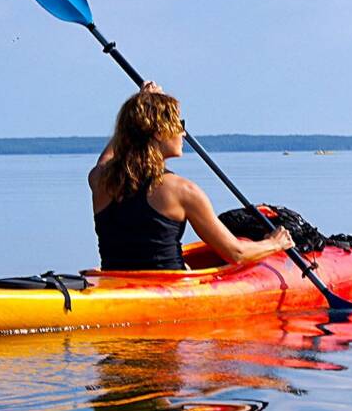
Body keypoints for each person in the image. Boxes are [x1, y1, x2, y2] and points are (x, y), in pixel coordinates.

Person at [91, 81, 294, 270]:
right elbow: (236, 253)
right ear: (159, 133)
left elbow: (108, 157)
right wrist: (275, 243)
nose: (184, 133)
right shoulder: (183, 191)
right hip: (169, 291)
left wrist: (140, 106)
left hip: (114, 283)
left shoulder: (100, 180)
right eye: (179, 125)